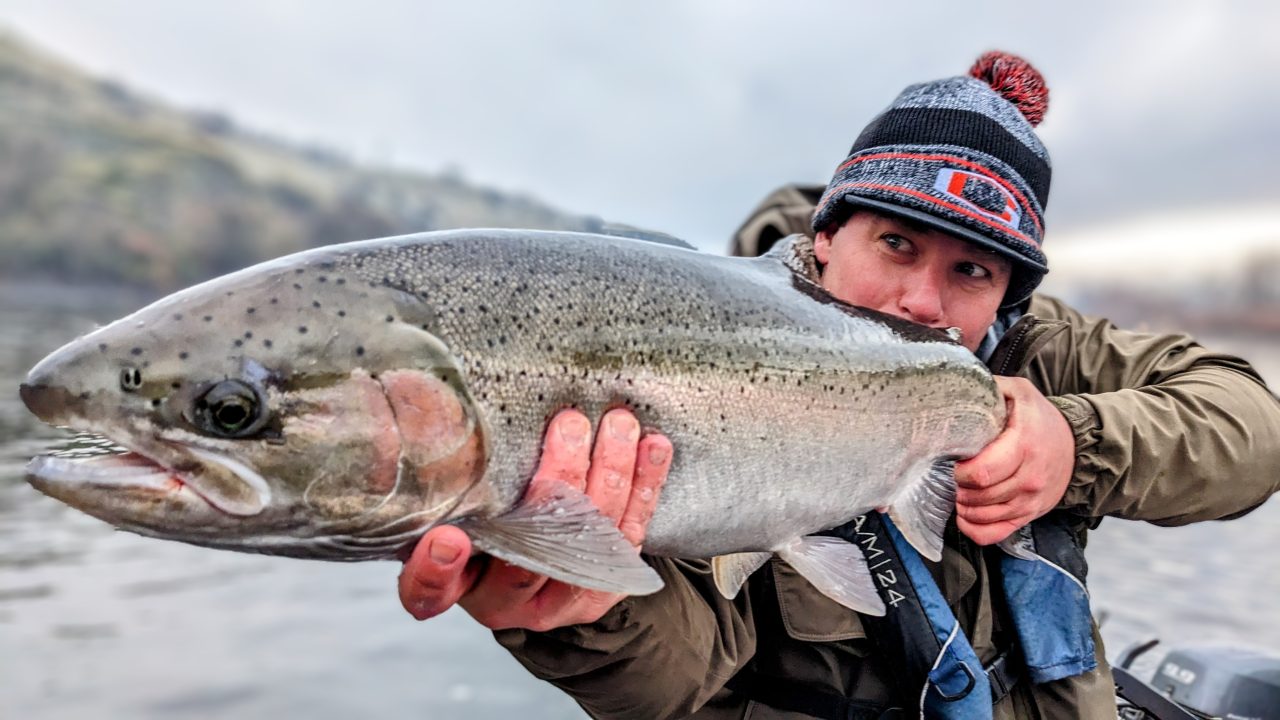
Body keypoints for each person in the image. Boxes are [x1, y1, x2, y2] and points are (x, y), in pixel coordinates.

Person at [396, 52, 1280, 718]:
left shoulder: (1041, 352)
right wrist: (580, 616)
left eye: (972, 271)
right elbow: (678, 681)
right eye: (896, 244)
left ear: (1010, 292)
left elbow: (1253, 426)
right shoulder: (705, 365)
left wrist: (1073, 445)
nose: (922, 301)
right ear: (826, 236)